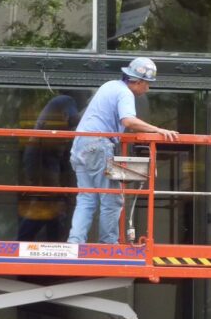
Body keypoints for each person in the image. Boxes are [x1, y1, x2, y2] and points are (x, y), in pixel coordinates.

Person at [67, 57, 178, 244]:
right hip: (98, 145)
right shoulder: (125, 93)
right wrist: (159, 130)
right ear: (138, 81)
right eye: (147, 84)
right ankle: (109, 244)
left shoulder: (110, 86)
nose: (147, 89)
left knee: (87, 198)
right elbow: (128, 120)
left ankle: (75, 242)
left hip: (80, 145)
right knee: (112, 198)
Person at [18, 92, 81, 241]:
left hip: (46, 157)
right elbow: (74, 119)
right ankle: (22, 241)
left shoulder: (58, 108)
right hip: (42, 157)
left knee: (53, 206)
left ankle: (54, 243)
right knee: (49, 203)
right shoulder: (67, 100)